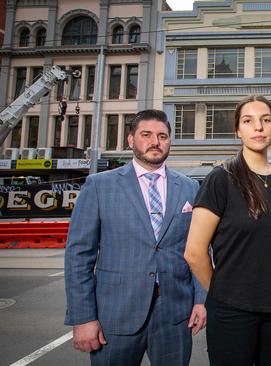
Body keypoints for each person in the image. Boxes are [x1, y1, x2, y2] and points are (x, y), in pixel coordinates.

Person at [64, 109, 206, 366]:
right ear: (131, 140)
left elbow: (197, 249)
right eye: (146, 134)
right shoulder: (99, 186)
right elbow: (78, 256)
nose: (155, 142)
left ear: (170, 141)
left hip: (174, 316)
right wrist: (83, 318)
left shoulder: (189, 186)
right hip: (116, 315)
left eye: (162, 136)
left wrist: (201, 300)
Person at [184, 95, 271, 366]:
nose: (258, 127)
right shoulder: (221, 179)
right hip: (232, 311)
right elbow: (193, 252)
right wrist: (223, 294)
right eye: (248, 121)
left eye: (266, 120)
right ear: (238, 130)